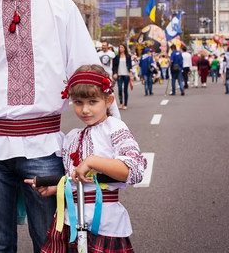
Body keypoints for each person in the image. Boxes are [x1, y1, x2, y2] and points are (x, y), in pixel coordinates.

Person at [0, 0, 120, 253]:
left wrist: (114, 138)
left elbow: (89, 72)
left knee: (52, 244)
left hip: (44, 150)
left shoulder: (60, 6)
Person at [25, 64, 146, 253]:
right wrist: (57, 188)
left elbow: (134, 171)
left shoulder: (115, 128)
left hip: (105, 223)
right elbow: (75, 178)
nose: (85, 110)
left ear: (108, 100)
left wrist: (92, 161)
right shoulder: (72, 137)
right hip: (71, 222)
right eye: (79, 102)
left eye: (92, 101)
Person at [112, 44, 132, 109]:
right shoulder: (117, 57)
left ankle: (125, 104)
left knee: (125, 90)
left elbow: (130, 66)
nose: (120, 48)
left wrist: (130, 74)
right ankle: (121, 103)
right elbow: (114, 66)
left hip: (126, 75)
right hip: (119, 75)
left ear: (124, 48)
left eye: (122, 47)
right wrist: (114, 73)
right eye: (119, 47)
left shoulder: (128, 56)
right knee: (120, 89)